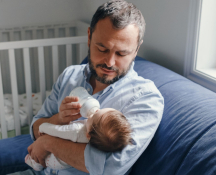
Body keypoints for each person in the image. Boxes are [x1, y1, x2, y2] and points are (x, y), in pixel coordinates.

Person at [11, 0, 164, 174]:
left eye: (121, 53)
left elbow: (109, 167)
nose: (110, 62)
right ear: (89, 37)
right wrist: (59, 119)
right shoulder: (70, 76)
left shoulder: (146, 98)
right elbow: (35, 129)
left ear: (136, 49)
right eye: (102, 48)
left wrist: (49, 143)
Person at [25, 108, 132, 171]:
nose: (96, 110)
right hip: (65, 164)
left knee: (42, 159)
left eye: (94, 115)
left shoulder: (76, 131)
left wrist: (43, 127)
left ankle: (34, 164)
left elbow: (57, 130)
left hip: (56, 160)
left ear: (88, 135)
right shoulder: (99, 138)